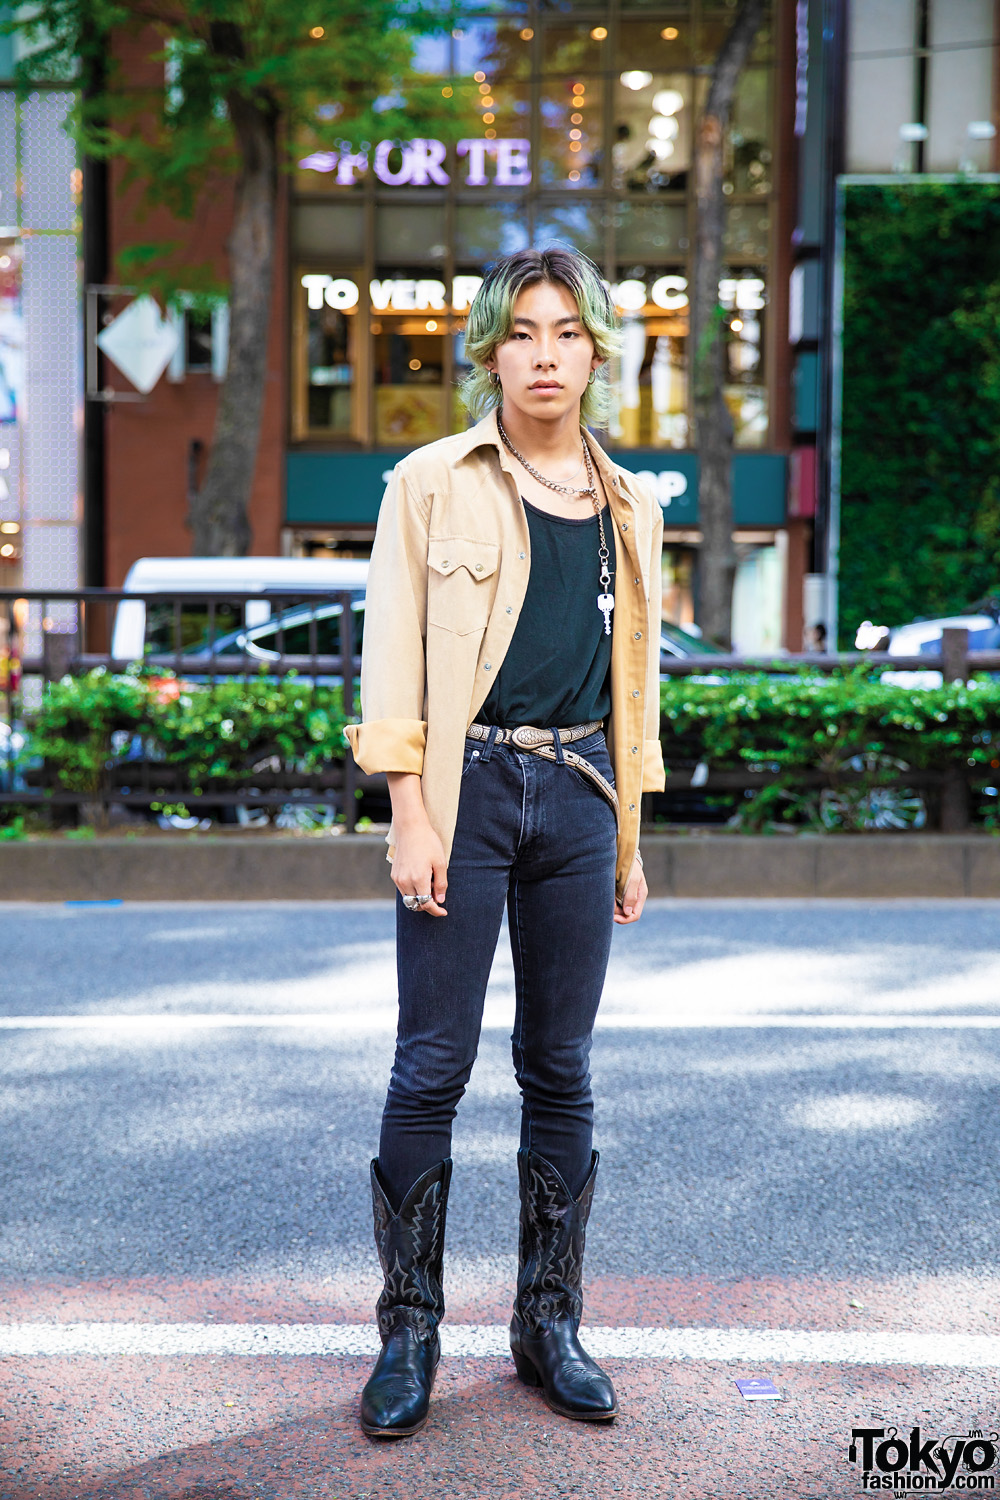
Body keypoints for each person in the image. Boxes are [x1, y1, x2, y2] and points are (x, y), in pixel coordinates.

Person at [344, 246, 665, 1439]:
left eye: (567, 332)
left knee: (562, 1067)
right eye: (523, 331)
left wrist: (630, 834)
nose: (545, 354)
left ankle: (547, 1321)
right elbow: (393, 654)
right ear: (489, 348)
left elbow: (632, 683)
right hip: (464, 788)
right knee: (432, 1063)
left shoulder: (628, 503)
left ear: (594, 352)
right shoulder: (430, 482)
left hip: (583, 793)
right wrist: (408, 810)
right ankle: (410, 1328)